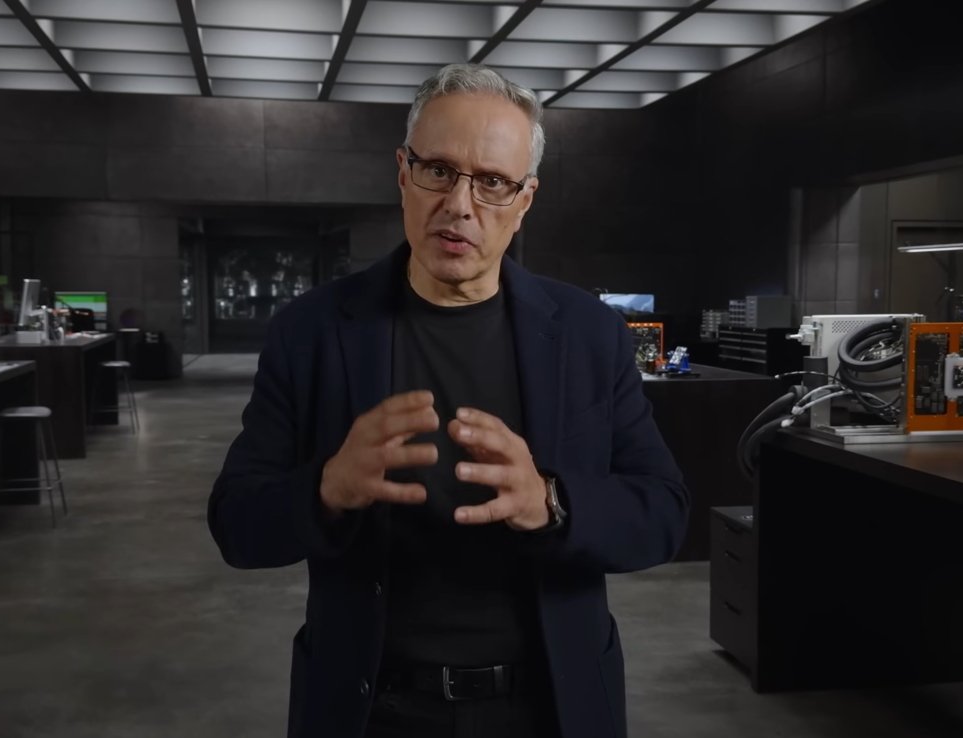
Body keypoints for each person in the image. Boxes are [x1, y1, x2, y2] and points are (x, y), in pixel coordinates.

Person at [209, 63, 689, 738]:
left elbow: (663, 514)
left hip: (550, 707)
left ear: (525, 199)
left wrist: (549, 501)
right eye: (438, 170)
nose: (460, 205)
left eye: (492, 182)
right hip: (372, 710)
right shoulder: (311, 332)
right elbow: (236, 524)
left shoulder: (589, 333)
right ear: (403, 173)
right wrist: (327, 489)